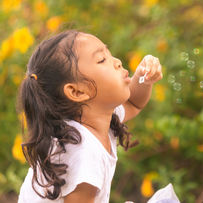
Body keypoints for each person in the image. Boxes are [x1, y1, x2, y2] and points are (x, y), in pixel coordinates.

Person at [17, 30, 163, 202]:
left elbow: (134, 103)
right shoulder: (82, 152)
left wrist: (143, 79)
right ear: (77, 91)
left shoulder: (96, 117)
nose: (117, 62)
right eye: (102, 60)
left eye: (109, 55)